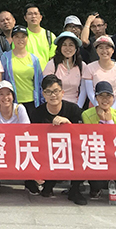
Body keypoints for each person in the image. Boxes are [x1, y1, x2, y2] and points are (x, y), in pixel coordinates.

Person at [29, 75, 85, 204]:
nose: (53, 95)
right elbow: (32, 140)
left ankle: (75, 190)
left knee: (81, 152)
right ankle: (48, 184)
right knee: (44, 190)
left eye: (56, 91)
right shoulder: (37, 113)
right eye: (48, 92)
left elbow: (82, 136)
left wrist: (68, 123)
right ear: (43, 94)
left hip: (71, 151)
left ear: (62, 92)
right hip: (47, 153)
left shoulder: (74, 109)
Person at [81, 81, 116, 204]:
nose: (105, 99)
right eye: (101, 96)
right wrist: (102, 121)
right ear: (96, 98)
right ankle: (95, 186)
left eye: (108, 96)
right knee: (97, 183)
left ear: (113, 98)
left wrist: (109, 122)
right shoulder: (86, 114)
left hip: (113, 151)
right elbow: (92, 137)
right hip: (96, 151)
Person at [2, 25, 45, 114]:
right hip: (12, 102)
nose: (20, 40)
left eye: (23, 37)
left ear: (27, 39)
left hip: (32, 102)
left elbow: (40, 82)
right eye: (17, 37)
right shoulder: (5, 58)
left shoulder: (34, 59)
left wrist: (42, 101)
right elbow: (2, 80)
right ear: (12, 39)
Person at [81, 36, 116, 111]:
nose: (104, 51)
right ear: (96, 50)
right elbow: (90, 92)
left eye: (107, 48)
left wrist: (112, 109)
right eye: (101, 48)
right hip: (95, 109)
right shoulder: (89, 68)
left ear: (112, 50)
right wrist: (98, 107)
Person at [43, 32, 86, 107]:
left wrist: (78, 108)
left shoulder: (82, 66)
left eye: (71, 45)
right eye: (64, 45)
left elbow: (83, 91)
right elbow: (47, 88)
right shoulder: (52, 64)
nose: (67, 48)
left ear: (76, 48)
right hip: (55, 105)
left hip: (75, 105)